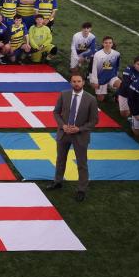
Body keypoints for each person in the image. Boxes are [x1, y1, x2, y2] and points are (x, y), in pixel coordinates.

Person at [47, 74, 99, 202]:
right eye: (74, 81)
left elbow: (94, 121)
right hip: (64, 133)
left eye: (79, 81)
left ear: (83, 83)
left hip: (80, 135)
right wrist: (63, 125)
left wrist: (79, 129)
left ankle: (81, 189)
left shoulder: (91, 99)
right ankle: (57, 182)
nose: (76, 83)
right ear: (70, 83)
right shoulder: (64, 95)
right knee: (60, 159)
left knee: (81, 163)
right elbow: (56, 112)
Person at [89, 36, 120, 102]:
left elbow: (116, 66)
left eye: (110, 43)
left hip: (111, 76)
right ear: (103, 44)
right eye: (106, 43)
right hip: (100, 78)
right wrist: (95, 81)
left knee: (121, 85)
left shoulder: (116, 54)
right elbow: (93, 69)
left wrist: (116, 74)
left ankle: (117, 96)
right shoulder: (97, 55)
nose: (108, 45)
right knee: (100, 98)